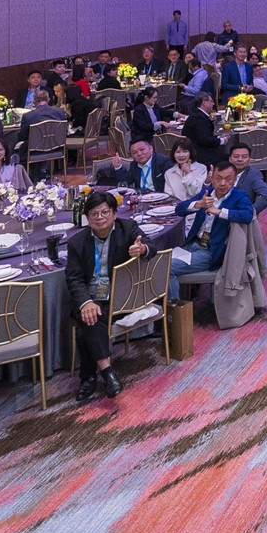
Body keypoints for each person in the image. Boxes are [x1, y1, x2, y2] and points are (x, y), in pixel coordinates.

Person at [62, 192, 149, 402]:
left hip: (120, 296)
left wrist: (143, 248)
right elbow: (74, 278)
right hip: (90, 296)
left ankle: (88, 377)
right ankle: (108, 373)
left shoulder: (127, 228)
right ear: (87, 218)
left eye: (104, 212)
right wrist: (86, 302)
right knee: (90, 315)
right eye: (94, 214)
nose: (99, 217)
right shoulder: (76, 243)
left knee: (88, 324)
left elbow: (151, 246)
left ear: (114, 214)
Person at [171, 162, 254, 272]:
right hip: (193, 243)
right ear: (212, 179)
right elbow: (179, 210)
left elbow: (248, 215)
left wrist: (219, 212)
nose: (222, 183)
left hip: (212, 251)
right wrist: (198, 204)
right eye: (218, 179)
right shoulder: (207, 193)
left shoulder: (239, 197)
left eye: (228, 179)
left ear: (235, 180)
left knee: (168, 268)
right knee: (158, 262)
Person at [96, 139, 172, 194]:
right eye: (134, 152)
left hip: (161, 199)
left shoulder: (163, 162)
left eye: (142, 149)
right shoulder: (134, 165)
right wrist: (118, 167)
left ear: (151, 148)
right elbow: (124, 183)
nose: (139, 154)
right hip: (141, 198)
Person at [182, 94, 224, 167]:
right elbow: (204, 139)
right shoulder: (199, 118)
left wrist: (219, 137)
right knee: (227, 158)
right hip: (200, 154)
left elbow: (204, 135)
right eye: (211, 101)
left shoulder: (197, 114)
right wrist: (221, 140)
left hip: (198, 149)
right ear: (204, 103)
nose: (213, 104)